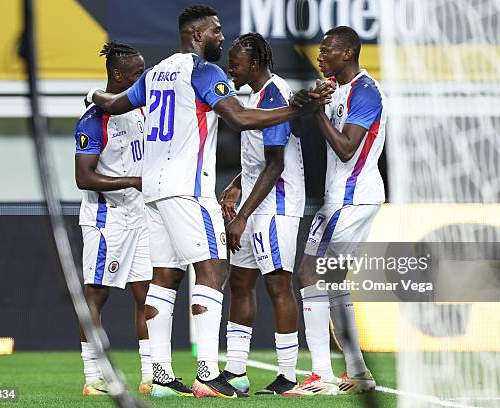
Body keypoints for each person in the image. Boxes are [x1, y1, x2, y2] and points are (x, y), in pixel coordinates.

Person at [86, 4, 331, 399]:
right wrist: (296, 109)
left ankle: (162, 376)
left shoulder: (156, 72)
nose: (222, 37)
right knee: (213, 269)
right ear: (197, 35)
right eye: (216, 31)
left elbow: (112, 104)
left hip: (152, 191)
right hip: (187, 188)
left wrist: (93, 93)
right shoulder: (204, 71)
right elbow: (239, 119)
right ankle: (207, 372)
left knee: (165, 278)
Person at [282, 26, 386, 396]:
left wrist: (319, 114)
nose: (320, 56)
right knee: (331, 281)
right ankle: (358, 373)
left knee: (308, 274)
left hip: (352, 197)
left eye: (327, 51)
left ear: (348, 53)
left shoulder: (366, 91)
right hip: (341, 197)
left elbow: (346, 149)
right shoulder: (337, 89)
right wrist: (311, 104)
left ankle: (321, 375)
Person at [219, 33, 304, 396]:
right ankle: (236, 371)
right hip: (254, 204)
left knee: (278, 284)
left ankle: (287, 376)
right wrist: (237, 183)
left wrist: (241, 217)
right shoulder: (253, 96)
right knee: (240, 281)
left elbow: (274, 164)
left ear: (254, 64)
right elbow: (256, 161)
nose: (230, 69)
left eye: (234, 64)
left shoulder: (276, 94)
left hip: (276, 206)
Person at [74, 42, 153, 396]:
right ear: (118, 75)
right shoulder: (93, 119)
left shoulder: (140, 111)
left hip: (141, 216)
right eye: (138, 73)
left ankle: (151, 374)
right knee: (97, 293)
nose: (145, 79)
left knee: (148, 293)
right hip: (107, 218)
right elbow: (84, 177)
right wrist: (134, 181)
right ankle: (93, 377)